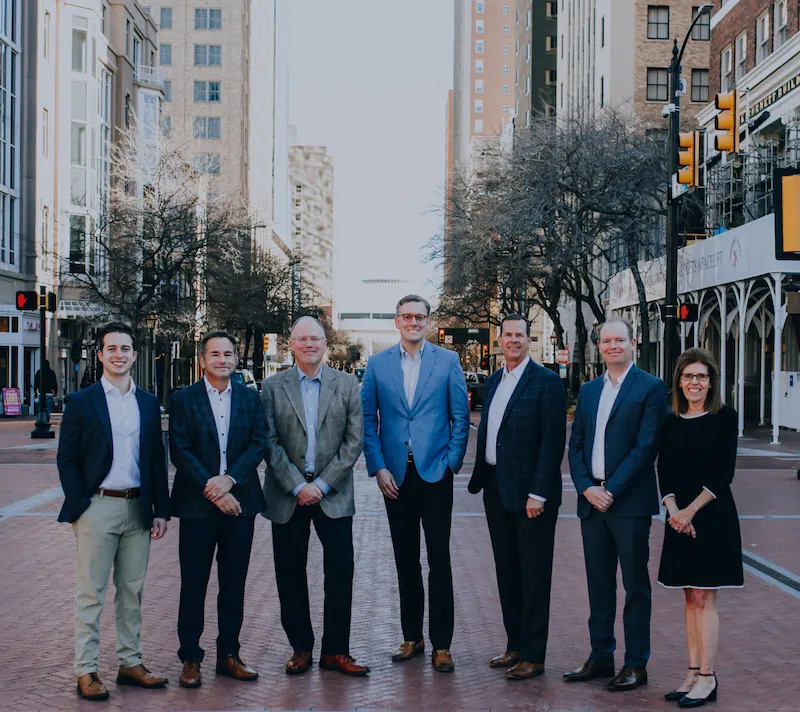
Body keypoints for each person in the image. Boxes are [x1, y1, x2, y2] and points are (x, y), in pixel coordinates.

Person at [57, 322, 170, 701]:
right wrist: (80, 504)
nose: (119, 354)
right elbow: (67, 459)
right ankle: (86, 670)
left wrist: (161, 510)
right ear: (100, 354)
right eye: (112, 348)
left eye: (126, 348)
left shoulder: (149, 403)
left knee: (132, 591)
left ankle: (130, 662)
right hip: (98, 506)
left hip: (139, 507)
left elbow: (156, 459)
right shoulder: (81, 402)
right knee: (91, 592)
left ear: (135, 355)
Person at [361, 294, 470, 673]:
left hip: (435, 474)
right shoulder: (377, 365)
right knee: (405, 560)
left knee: (439, 560)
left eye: (419, 316)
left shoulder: (448, 361)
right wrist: (378, 468)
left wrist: (451, 463)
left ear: (428, 322)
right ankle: (412, 637)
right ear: (397, 322)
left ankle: (442, 644)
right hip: (396, 479)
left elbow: (460, 416)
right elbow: (367, 422)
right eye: (406, 316)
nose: (413, 322)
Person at [261, 316, 369, 677]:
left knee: (341, 570)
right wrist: (297, 485)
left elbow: (354, 441)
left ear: (325, 344)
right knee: (290, 572)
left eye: (316, 339)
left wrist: (321, 485)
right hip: (287, 494)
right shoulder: (273, 387)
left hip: (333, 493)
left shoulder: (347, 384)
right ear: (290, 344)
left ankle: (335, 650)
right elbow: (270, 441)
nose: (309, 344)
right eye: (302, 339)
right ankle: (301, 648)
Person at [565, 318, 667, 691]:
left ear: (633, 343)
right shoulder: (590, 390)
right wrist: (586, 487)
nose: (612, 346)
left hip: (629, 505)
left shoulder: (651, 388)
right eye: (606, 341)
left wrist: (612, 489)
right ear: (599, 345)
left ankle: (636, 664)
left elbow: (646, 446)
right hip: (591, 503)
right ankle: (601, 656)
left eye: (618, 340)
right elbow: (575, 444)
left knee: (635, 586)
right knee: (599, 585)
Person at [468, 314, 566, 680]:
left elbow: (552, 442)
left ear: (528, 340)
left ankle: (534, 654)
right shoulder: (494, 381)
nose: (513, 340)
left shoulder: (546, 382)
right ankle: (514, 644)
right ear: (499, 340)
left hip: (531, 497)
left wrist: (538, 493)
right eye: (507, 335)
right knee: (507, 571)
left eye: (519, 335)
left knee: (534, 574)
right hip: (495, 489)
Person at [169, 331, 267, 688]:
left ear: (235, 359)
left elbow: (259, 443)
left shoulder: (251, 398)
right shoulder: (183, 399)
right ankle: (190, 657)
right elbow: (179, 449)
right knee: (193, 583)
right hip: (197, 504)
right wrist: (213, 486)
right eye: (214, 354)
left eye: (227, 353)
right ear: (202, 359)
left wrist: (230, 480)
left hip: (240, 502)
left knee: (233, 583)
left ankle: (229, 654)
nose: (222, 359)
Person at [657, 348, 742, 708]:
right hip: (679, 518)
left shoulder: (725, 417)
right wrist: (675, 511)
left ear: (711, 382)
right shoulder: (671, 420)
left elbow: (724, 474)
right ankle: (692, 672)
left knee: (705, 597)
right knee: (689, 596)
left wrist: (690, 512)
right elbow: (666, 470)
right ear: (679, 381)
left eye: (702, 377)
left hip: (712, 516)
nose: (695, 383)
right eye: (689, 376)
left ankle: (708, 677)